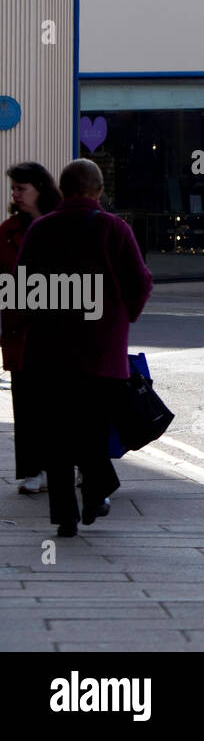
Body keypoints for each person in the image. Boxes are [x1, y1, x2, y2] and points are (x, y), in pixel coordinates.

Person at [18, 159, 152, 538]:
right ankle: (95, 495)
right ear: (98, 191)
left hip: (49, 351)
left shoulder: (41, 229)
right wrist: (121, 320)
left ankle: (65, 516)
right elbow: (139, 283)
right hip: (101, 352)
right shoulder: (115, 228)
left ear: (61, 190)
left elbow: (24, 287)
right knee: (93, 427)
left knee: (57, 432)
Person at [1, 162, 61, 496]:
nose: (15, 195)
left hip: (60, 329)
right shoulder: (7, 230)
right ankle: (32, 470)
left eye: (21, 188)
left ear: (40, 188)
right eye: (13, 189)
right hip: (20, 330)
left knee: (60, 403)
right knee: (25, 402)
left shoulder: (60, 226)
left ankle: (68, 464)